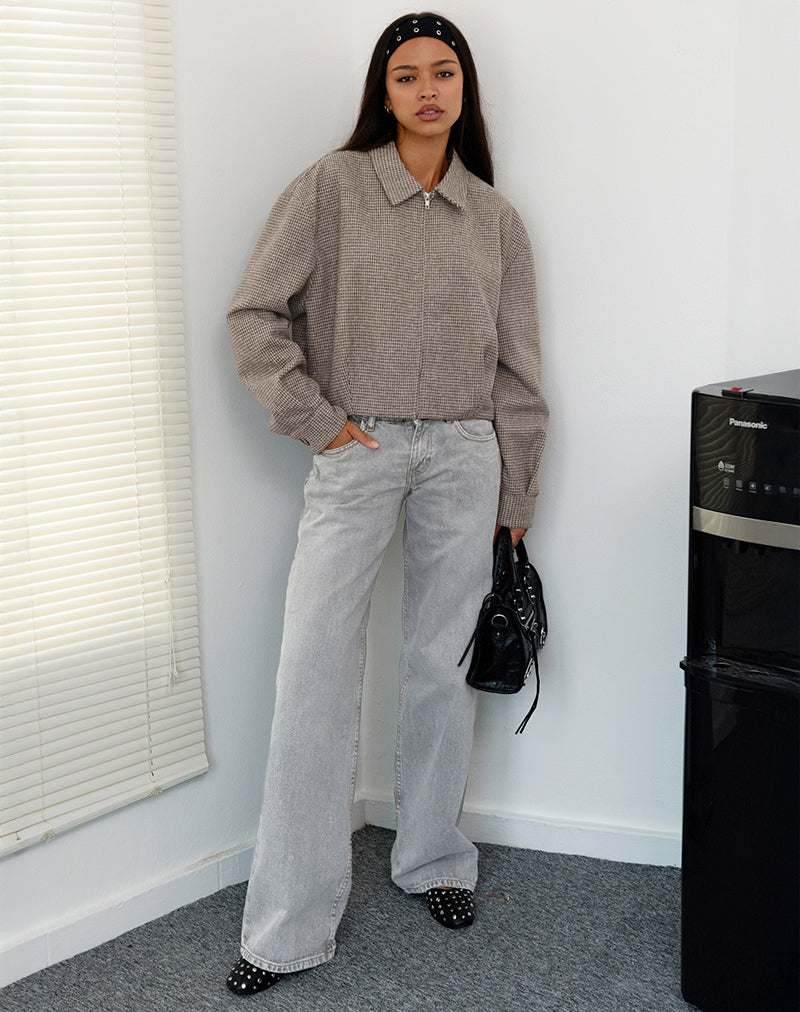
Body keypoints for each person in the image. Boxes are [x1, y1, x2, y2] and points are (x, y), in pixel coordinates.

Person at [225, 11, 548, 996]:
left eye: (442, 72)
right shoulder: (329, 187)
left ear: (464, 88)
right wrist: (319, 423)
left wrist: (517, 486)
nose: (426, 90)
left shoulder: (494, 217)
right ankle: (284, 926)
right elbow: (253, 314)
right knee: (313, 671)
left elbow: (517, 370)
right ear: (383, 91)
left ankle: (435, 858)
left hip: (465, 454)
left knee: (441, 665)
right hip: (356, 449)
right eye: (406, 75)